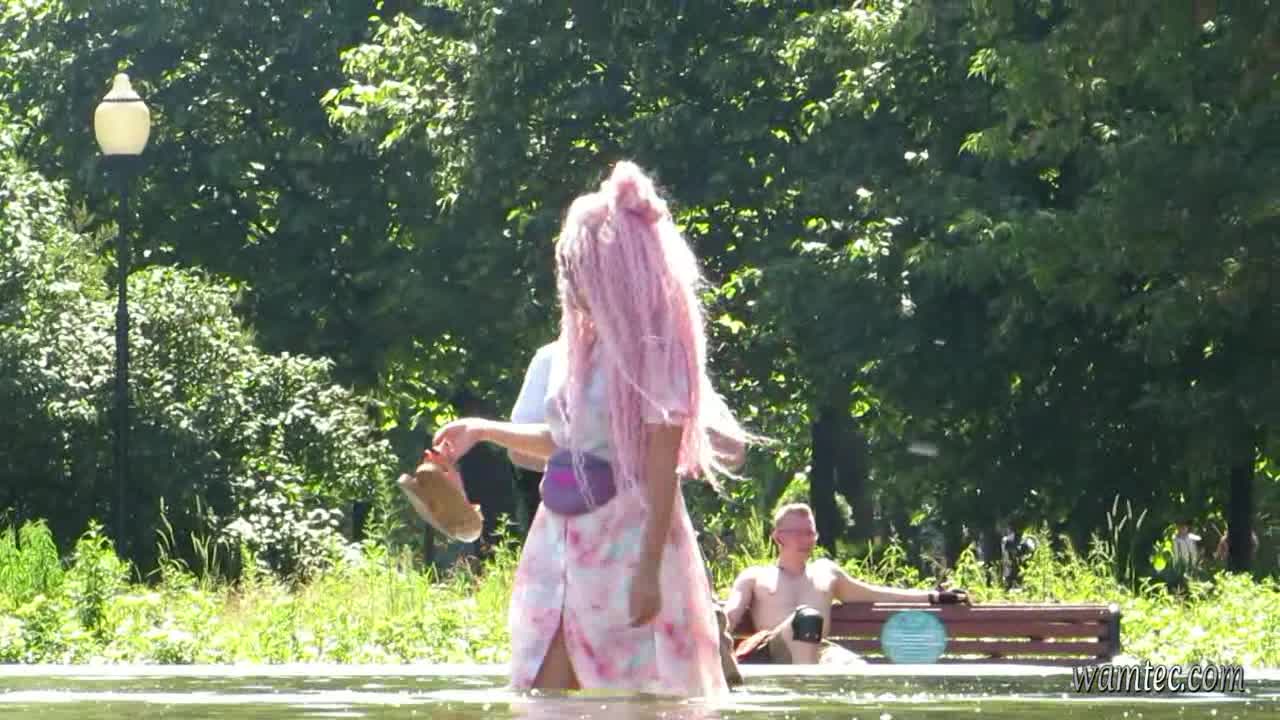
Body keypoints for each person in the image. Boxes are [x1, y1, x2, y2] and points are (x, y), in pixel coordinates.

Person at [432, 161, 751, 698]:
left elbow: (661, 467)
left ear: (614, 268)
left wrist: (648, 570)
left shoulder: (657, 351)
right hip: (559, 543)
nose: (568, 276)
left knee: (636, 690)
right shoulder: (576, 350)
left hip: (627, 544)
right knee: (543, 689)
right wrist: (483, 430)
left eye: (578, 264)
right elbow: (569, 443)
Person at [722, 503, 968, 665]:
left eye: (810, 533)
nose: (806, 539)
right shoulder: (755, 576)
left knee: (858, 670)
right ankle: (806, 688)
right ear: (778, 537)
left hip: (819, 652)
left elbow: (876, 593)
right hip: (774, 654)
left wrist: (934, 596)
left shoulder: (826, 572)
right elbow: (730, 615)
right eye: (797, 532)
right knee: (807, 616)